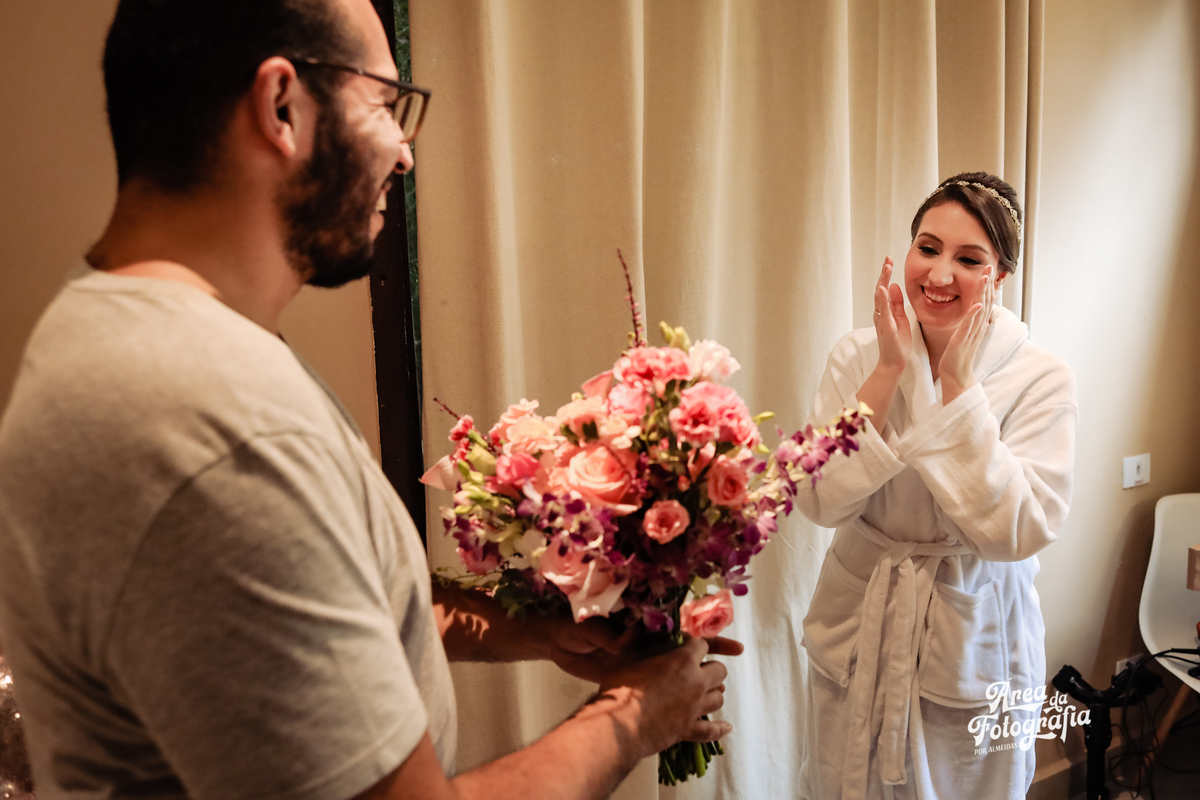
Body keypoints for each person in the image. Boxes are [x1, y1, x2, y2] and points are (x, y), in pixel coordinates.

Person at [0, 2, 738, 799]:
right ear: (282, 106)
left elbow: (335, 605)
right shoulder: (207, 415)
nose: (404, 154)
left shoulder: (163, 338)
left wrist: (536, 625)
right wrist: (636, 714)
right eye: (387, 105)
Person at [794, 173, 1077, 799]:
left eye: (969, 259)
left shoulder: (1041, 377)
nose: (940, 274)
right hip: (863, 610)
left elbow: (1019, 531)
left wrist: (959, 389)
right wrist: (889, 370)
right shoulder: (858, 355)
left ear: (999, 275)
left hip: (972, 625)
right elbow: (817, 499)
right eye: (928, 248)